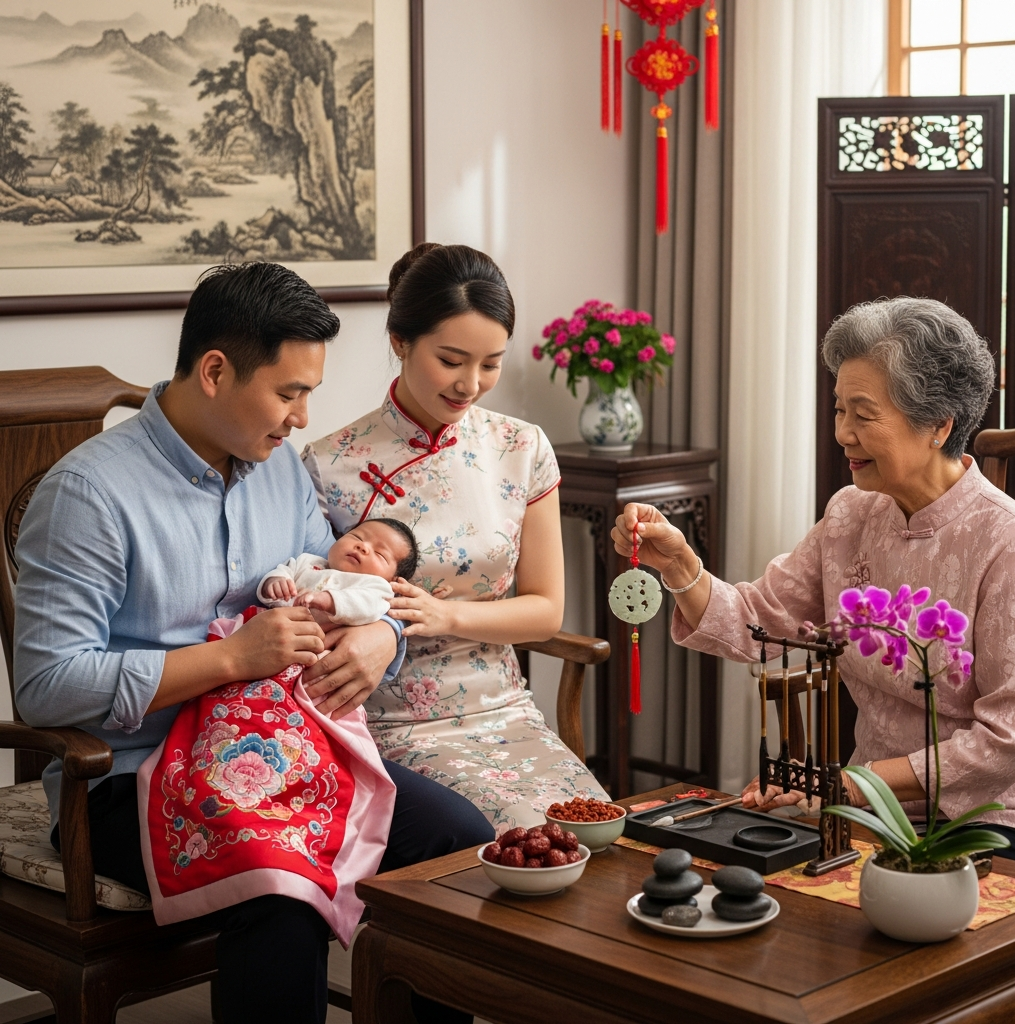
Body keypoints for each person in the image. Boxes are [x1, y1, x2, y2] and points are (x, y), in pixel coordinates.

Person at [14, 262, 493, 1024]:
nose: (302, 417)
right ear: (214, 371)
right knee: (283, 885)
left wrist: (380, 635)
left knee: (461, 844)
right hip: (130, 780)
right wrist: (232, 660)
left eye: (309, 394)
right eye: (289, 392)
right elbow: (47, 686)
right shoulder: (88, 496)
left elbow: (339, 584)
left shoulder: (280, 474)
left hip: (288, 756)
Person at [612, 296, 1015, 861]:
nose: (842, 434)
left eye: (864, 414)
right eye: (839, 410)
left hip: (983, 824)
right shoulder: (851, 513)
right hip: (864, 808)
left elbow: (1009, 739)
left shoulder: (1009, 541)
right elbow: (759, 620)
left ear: (938, 425)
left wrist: (850, 782)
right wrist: (680, 565)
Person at [302, 242, 609, 832]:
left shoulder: (522, 449)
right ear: (400, 340)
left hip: (506, 711)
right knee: (513, 849)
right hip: (389, 720)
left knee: (594, 837)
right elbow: (310, 597)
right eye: (451, 359)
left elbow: (546, 612)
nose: (471, 384)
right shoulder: (329, 464)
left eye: (490, 364)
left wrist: (447, 616)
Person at [258, 517, 447, 625]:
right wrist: (275, 582)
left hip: (311, 652)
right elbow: (283, 571)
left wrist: (326, 600)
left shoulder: (378, 588)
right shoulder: (307, 561)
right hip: (263, 629)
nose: (363, 546)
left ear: (393, 580)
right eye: (356, 536)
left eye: (380, 554)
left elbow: (367, 605)